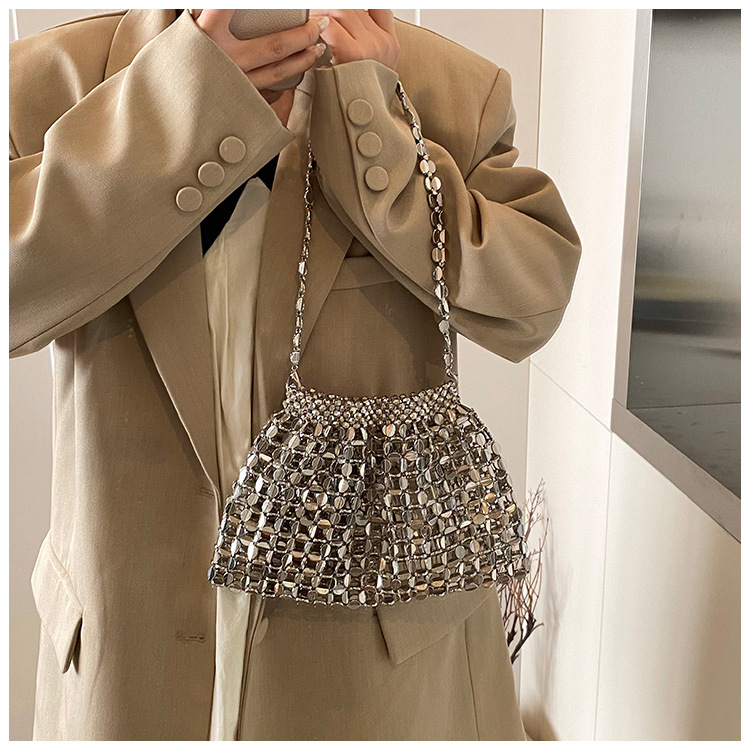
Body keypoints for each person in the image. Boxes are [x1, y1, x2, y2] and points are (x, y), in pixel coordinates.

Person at [9, 8, 582, 741]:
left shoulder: (446, 88)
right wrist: (179, 101)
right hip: (122, 654)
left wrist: (375, 133)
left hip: (376, 678)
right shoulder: (49, 81)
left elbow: (535, 303)